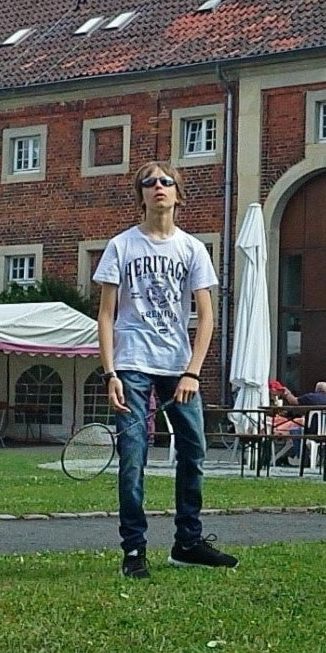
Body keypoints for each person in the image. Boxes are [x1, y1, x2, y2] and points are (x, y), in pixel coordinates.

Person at [94, 160, 238, 578]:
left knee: (194, 451)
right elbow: (105, 315)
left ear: (178, 194)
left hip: (177, 366)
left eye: (166, 181)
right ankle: (134, 550)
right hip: (132, 365)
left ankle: (188, 543)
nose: (158, 186)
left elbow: (207, 317)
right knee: (133, 457)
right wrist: (110, 373)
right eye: (149, 182)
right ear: (139, 195)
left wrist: (193, 371)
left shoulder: (191, 248)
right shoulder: (121, 246)